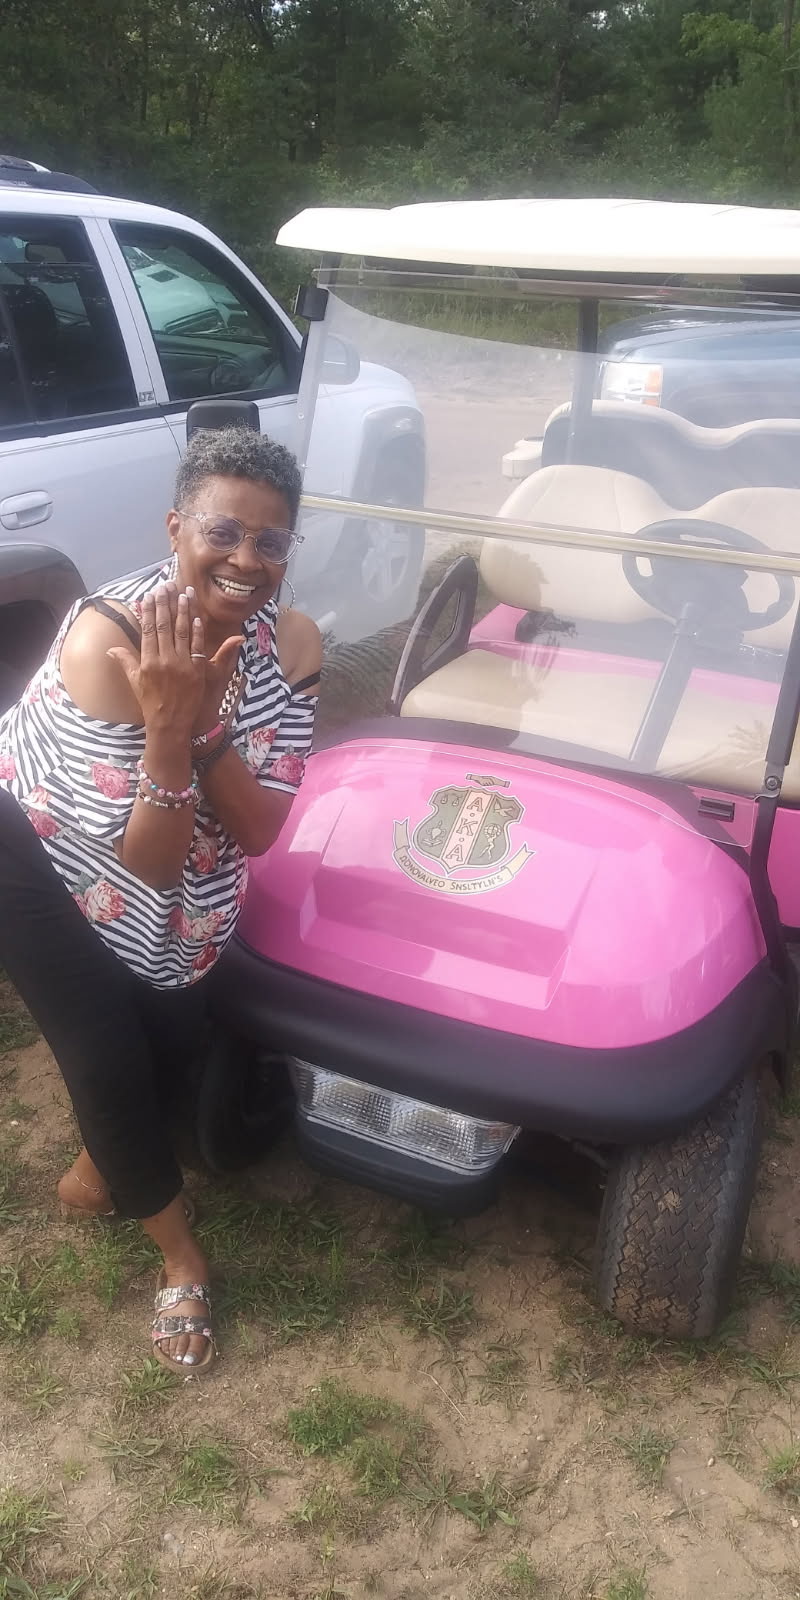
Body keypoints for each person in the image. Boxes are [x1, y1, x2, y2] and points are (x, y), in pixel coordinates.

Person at [0, 425, 322, 1374]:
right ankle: (182, 1258)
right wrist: (169, 729)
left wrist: (200, 727)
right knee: (105, 1057)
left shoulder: (294, 643)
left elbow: (257, 831)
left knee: (173, 1039)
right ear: (177, 527)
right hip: (37, 853)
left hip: (183, 867)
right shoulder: (108, 642)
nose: (247, 559)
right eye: (223, 532)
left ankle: (102, 1169)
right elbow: (150, 864)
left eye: (271, 540)